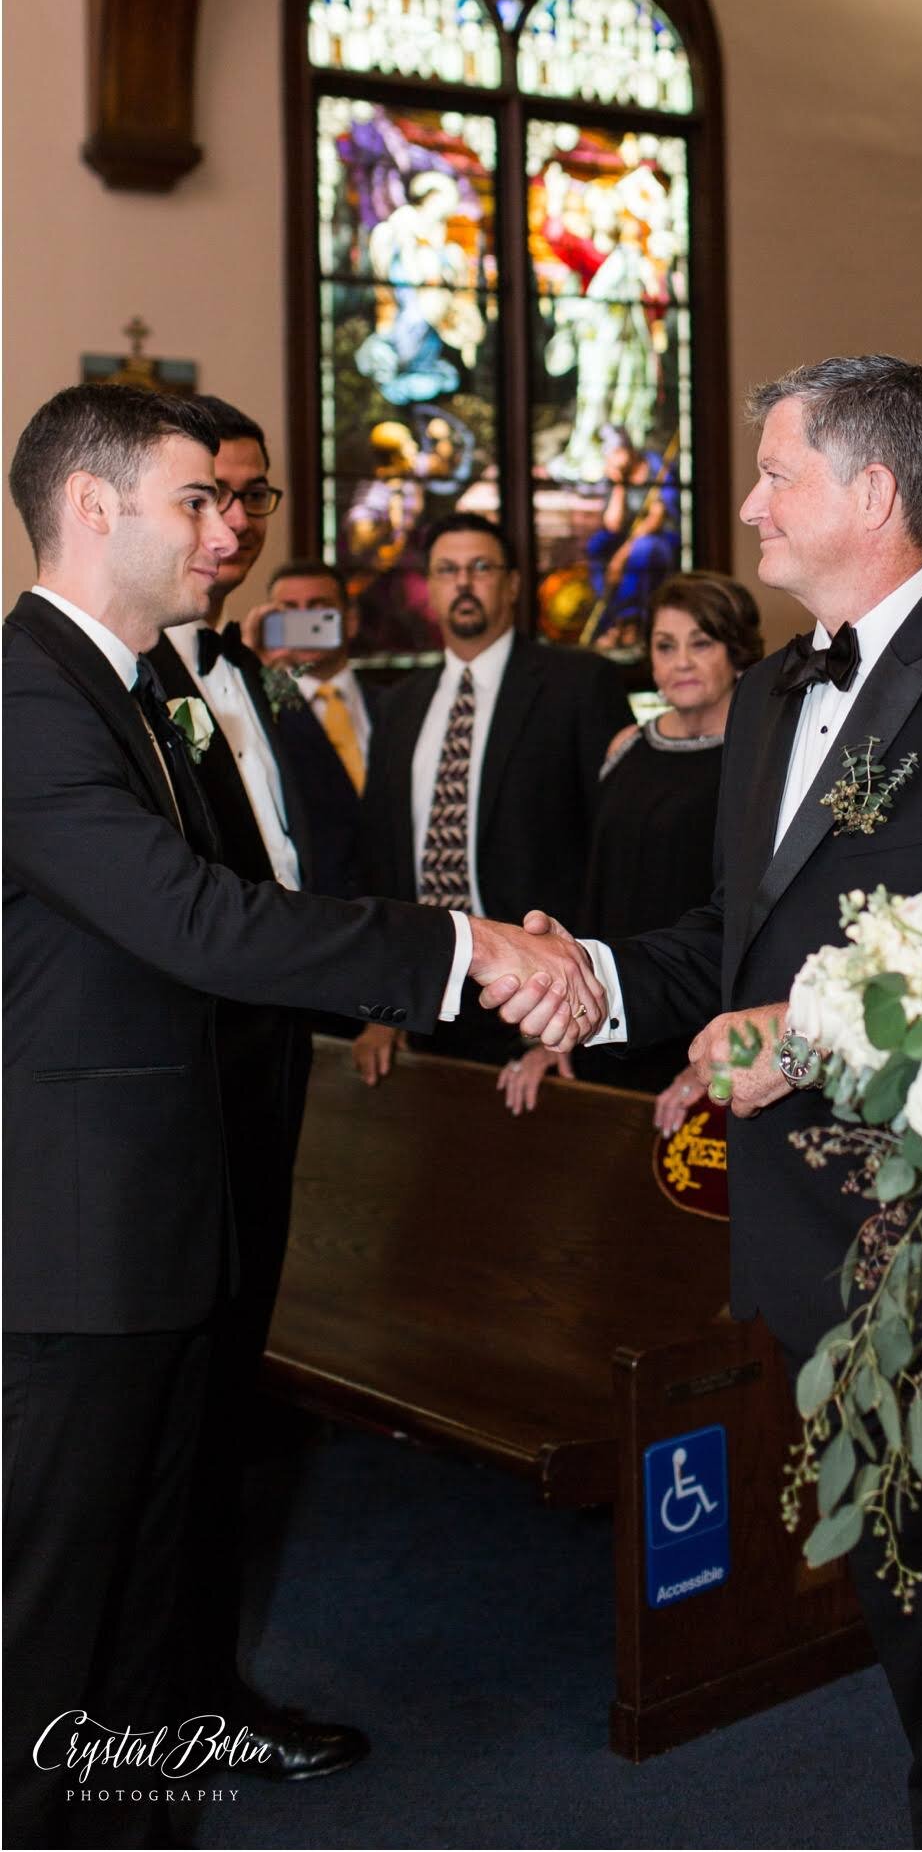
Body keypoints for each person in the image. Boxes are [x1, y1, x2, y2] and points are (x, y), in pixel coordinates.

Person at [507, 355, 922, 1849]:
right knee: (905, 1586)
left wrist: (826, 1042)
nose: (752, 503)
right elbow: (737, 940)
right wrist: (594, 977)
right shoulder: (776, 691)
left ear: (873, 494)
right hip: (793, 1222)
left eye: (777, 473)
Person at [2, 385, 584, 1848]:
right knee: (48, 1635)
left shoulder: (139, 687)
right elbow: (208, 920)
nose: (226, 528)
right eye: (195, 499)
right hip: (75, 1242)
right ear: (94, 509)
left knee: (141, 1607)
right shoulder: (27, 697)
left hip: (163, 1212)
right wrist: (462, 949)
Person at [145, 401, 365, 1775]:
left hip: (272, 1060)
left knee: (225, 1394)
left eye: (257, 500)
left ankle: (202, 1675)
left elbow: (312, 844)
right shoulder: (116, 688)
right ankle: (159, 1698)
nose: (233, 528)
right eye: (208, 498)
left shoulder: (254, 674)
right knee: (172, 1405)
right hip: (177, 1082)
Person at [355, 510, 631, 1080]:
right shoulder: (399, 704)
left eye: (480, 568)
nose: (463, 583)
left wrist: (585, 1013)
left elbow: (617, 859)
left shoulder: (580, 684)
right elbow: (382, 863)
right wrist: (382, 1006)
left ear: (510, 584)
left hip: (543, 1004)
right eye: (447, 570)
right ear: (429, 586)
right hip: (425, 1001)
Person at [500, 571, 763, 1118]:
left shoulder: (763, 756)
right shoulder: (626, 745)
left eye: (701, 642)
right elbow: (593, 887)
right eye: (665, 646)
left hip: (707, 1034)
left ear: (737, 652)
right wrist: (558, 1031)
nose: (681, 662)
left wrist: (720, 1058)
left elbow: (755, 920)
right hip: (610, 1015)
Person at [244, 559, 373, 901]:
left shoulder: (396, 706)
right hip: (312, 911)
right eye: (289, 611)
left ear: (351, 619)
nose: (305, 622)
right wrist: (256, 673)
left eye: (320, 610)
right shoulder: (257, 713)